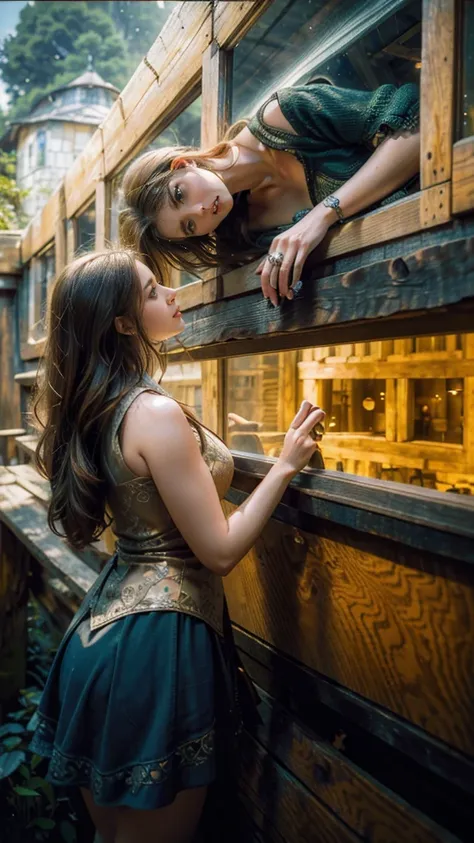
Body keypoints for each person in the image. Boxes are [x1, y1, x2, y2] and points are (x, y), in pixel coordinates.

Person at [30, 249, 325, 843]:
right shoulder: (154, 413)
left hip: (101, 634)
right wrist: (285, 466)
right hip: (156, 648)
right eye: (151, 290)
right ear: (121, 322)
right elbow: (217, 551)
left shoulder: (103, 403)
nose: (173, 294)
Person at [119, 80, 420, 307]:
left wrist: (322, 215)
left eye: (180, 195)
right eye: (189, 226)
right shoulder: (247, 235)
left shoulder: (283, 115)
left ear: (183, 164)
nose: (198, 211)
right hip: (406, 276)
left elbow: (418, 122)